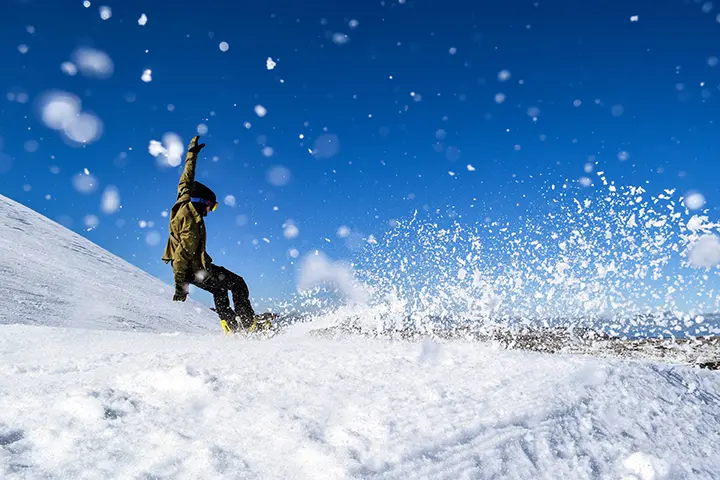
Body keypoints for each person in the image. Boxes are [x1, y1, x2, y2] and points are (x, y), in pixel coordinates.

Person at [162, 135, 256, 333]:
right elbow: (181, 256)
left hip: (195, 267)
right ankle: (249, 326)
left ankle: (230, 326)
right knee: (237, 283)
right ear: (202, 203)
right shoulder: (191, 222)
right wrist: (180, 287)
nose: (209, 212)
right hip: (192, 269)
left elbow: (186, 178)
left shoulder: (184, 197)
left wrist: (191, 154)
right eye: (210, 207)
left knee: (220, 288)